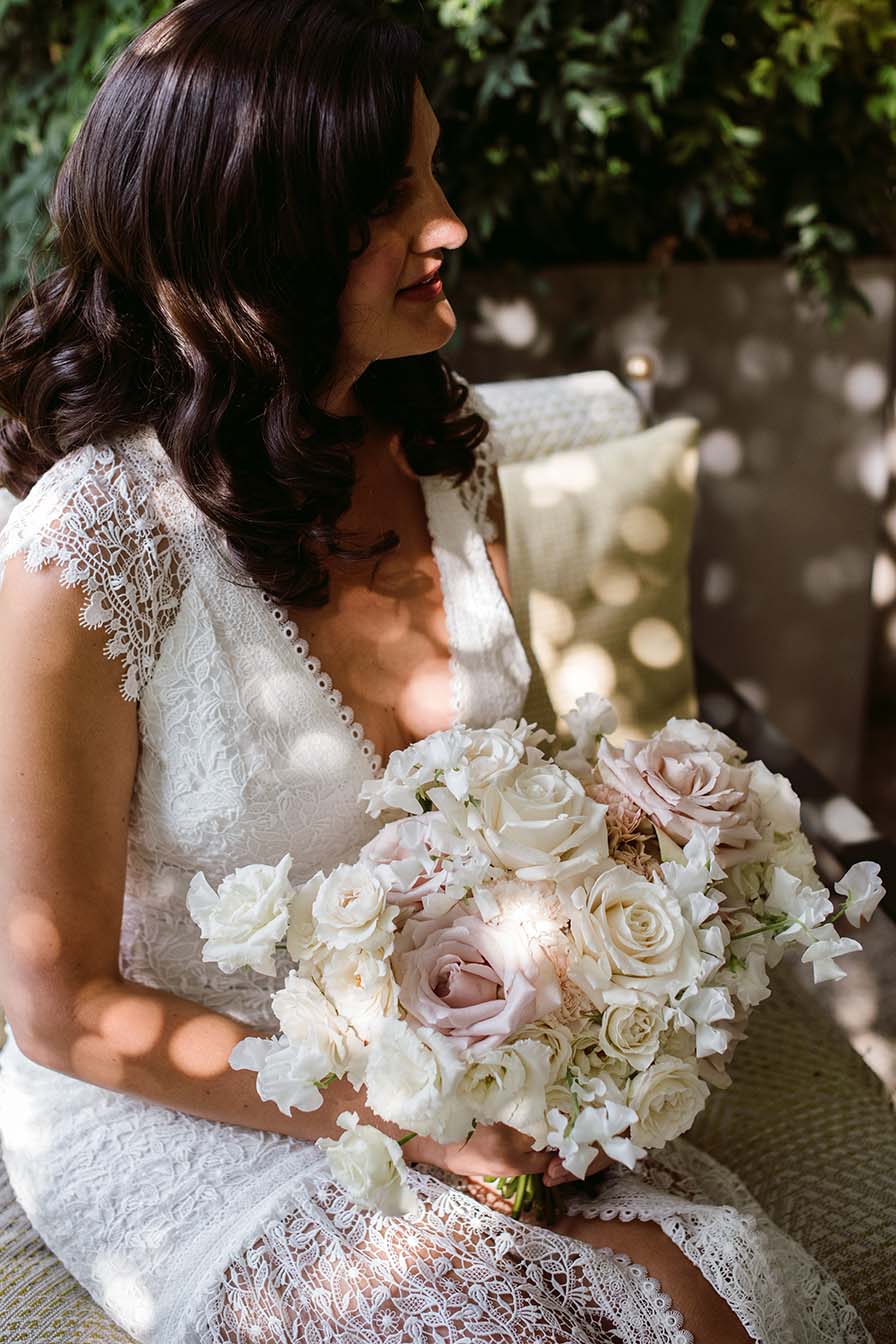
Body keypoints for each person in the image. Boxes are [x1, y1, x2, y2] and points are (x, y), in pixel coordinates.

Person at [0, 3, 871, 1342]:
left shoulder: (447, 468)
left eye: (436, 171)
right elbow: (57, 1005)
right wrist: (406, 1112)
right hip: (179, 1093)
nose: (452, 222)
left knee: (709, 1305)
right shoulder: (93, 538)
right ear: (263, 229)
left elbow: (500, 816)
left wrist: (598, 985)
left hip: (456, 1043)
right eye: (392, 195)